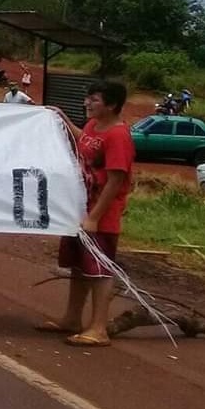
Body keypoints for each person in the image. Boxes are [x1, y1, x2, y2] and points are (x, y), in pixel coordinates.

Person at [40, 80, 134, 348]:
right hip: (79, 208)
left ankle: (99, 328)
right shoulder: (95, 126)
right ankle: (72, 318)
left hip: (100, 215)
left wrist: (94, 217)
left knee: (99, 271)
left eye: (94, 100)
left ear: (112, 104)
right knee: (79, 267)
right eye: (88, 99)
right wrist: (63, 120)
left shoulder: (118, 135)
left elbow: (116, 180)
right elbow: (86, 140)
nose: (87, 104)